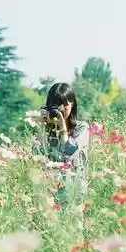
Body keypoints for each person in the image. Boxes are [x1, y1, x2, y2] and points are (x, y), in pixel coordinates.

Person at [39, 82, 90, 215]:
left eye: (65, 105)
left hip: (75, 191)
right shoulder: (47, 131)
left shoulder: (81, 128)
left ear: (72, 104)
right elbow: (37, 153)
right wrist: (42, 126)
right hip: (52, 191)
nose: (61, 110)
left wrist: (62, 125)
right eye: (57, 106)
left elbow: (70, 150)